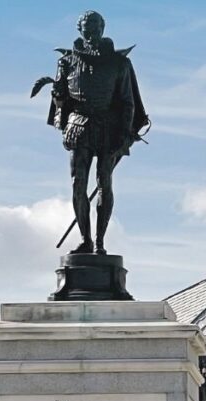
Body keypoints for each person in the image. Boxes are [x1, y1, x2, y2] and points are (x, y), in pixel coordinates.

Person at [48, 10, 148, 255]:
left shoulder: (119, 63)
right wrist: (58, 96)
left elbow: (127, 101)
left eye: (96, 27)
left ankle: (100, 241)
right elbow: (61, 102)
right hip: (79, 126)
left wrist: (125, 132)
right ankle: (85, 239)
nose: (92, 32)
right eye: (87, 27)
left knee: (105, 182)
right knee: (78, 183)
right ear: (80, 30)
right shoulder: (67, 61)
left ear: (103, 29)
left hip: (109, 128)